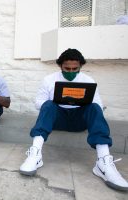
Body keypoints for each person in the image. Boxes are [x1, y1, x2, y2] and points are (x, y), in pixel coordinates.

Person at [19, 49, 128, 191]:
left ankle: (103, 162)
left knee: (94, 107)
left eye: (75, 69)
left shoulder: (88, 80)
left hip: (78, 120)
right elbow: (38, 103)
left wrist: (77, 103)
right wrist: (59, 101)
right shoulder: (49, 79)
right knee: (48, 104)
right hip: (57, 119)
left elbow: (98, 106)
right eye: (67, 68)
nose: (71, 71)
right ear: (60, 66)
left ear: (80, 67)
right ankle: (35, 155)